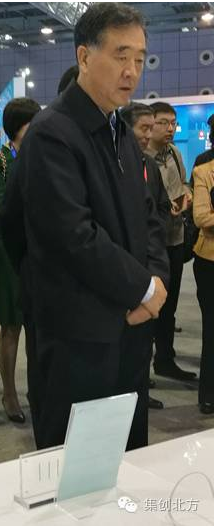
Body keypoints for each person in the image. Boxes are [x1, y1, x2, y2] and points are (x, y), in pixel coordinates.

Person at [1, 2, 169, 451]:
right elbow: (71, 236)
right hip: (78, 337)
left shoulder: (120, 131)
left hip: (130, 329)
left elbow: (149, 218)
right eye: (120, 55)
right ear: (84, 56)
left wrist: (156, 283)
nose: (131, 71)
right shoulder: (52, 133)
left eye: (140, 58)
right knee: (77, 469)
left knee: (127, 460)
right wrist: (141, 289)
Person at [0, 97, 41, 424]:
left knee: (37, 324)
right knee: (11, 324)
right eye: (33, 123)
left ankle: (38, 388)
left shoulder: (44, 157)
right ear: (18, 128)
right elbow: (1, 204)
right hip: (7, 252)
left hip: (40, 252)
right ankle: (9, 393)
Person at [120, 102, 170, 410]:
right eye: (144, 128)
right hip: (125, 269)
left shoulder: (149, 166)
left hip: (150, 263)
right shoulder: (113, 164)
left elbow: (159, 207)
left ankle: (141, 391)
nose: (148, 135)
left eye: (152, 128)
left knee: (143, 339)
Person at [146, 102, 196, 381]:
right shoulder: (140, 156)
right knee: (148, 306)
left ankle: (165, 359)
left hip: (175, 239)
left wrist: (186, 196)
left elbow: (184, 183)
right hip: (151, 245)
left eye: (173, 123)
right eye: (163, 122)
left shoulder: (174, 154)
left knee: (170, 305)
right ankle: (140, 369)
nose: (170, 128)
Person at [191, 159, 214, 414]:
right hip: (210, 262)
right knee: (212, 330)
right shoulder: (204, 172)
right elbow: (201, 217)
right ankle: (209, 393)